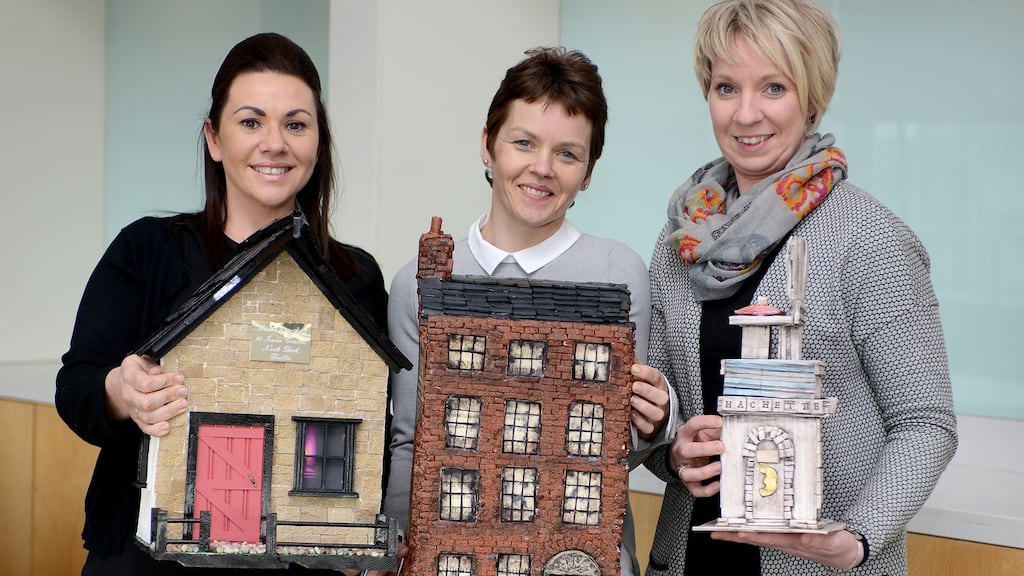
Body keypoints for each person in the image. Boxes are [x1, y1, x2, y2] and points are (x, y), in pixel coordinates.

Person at [637, 1, 959, 574]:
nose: (746, 113)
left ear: (811, 98)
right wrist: (672, 451)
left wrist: (858, 537)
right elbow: (664, 415)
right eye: (726, 87)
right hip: (691, 559)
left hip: (823, 565)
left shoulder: (868, 236)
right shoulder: (679, 239)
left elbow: (925, 423)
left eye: (774, 87)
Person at [55, 32, 389, 575]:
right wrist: (122, 392)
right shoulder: (147, 250)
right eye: (251, 121)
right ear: (214, 137)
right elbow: (76, 389)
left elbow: (373, 425)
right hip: (143, 560)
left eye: (296, 124)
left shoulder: (355, 278)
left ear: (318, 142)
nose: (275, 143)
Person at [380, 47, 677, 576]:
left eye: (568, 153)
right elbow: (410, 442)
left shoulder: (620, 272)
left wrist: (653, 424)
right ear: (488, 146)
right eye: (524, 143)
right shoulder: (416, 285)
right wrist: (396, 557)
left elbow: (622, 449)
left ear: (588, 172)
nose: (542, 169)